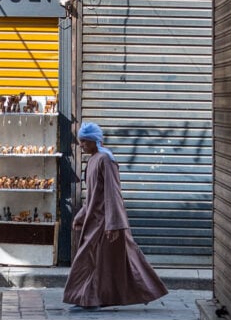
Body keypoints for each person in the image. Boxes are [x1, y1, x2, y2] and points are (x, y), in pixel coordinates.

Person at [63, 121, 168, 308]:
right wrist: (81, 215)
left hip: (104, 221)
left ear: (95, 141)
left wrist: (114, 224)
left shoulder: (106, 160)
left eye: (85, 142)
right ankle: (90, 297)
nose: (81, 146)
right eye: (81, 141)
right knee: (100, 260)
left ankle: (91, 297)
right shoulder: (93, 159)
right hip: (95, 220)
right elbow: (94, 194)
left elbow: (113, 193)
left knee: (99, 259)